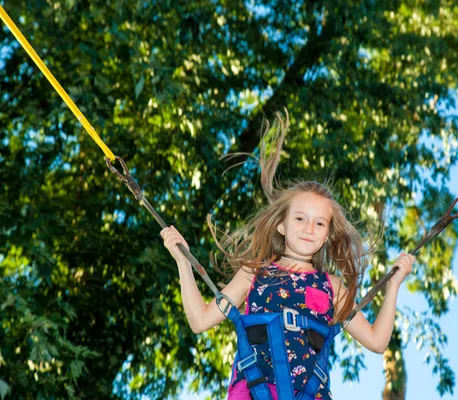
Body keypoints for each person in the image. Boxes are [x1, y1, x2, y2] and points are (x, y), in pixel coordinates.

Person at [161, 113, 415, 399]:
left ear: (328, 233)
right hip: (255, 390)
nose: (309, 229)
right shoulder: (254, 273)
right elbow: (200, 321)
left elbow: (377, 342)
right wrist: (183, 262)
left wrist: (393, 285)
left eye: (320, 223)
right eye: (300, 219)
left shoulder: (331, 285)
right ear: (281, 224)